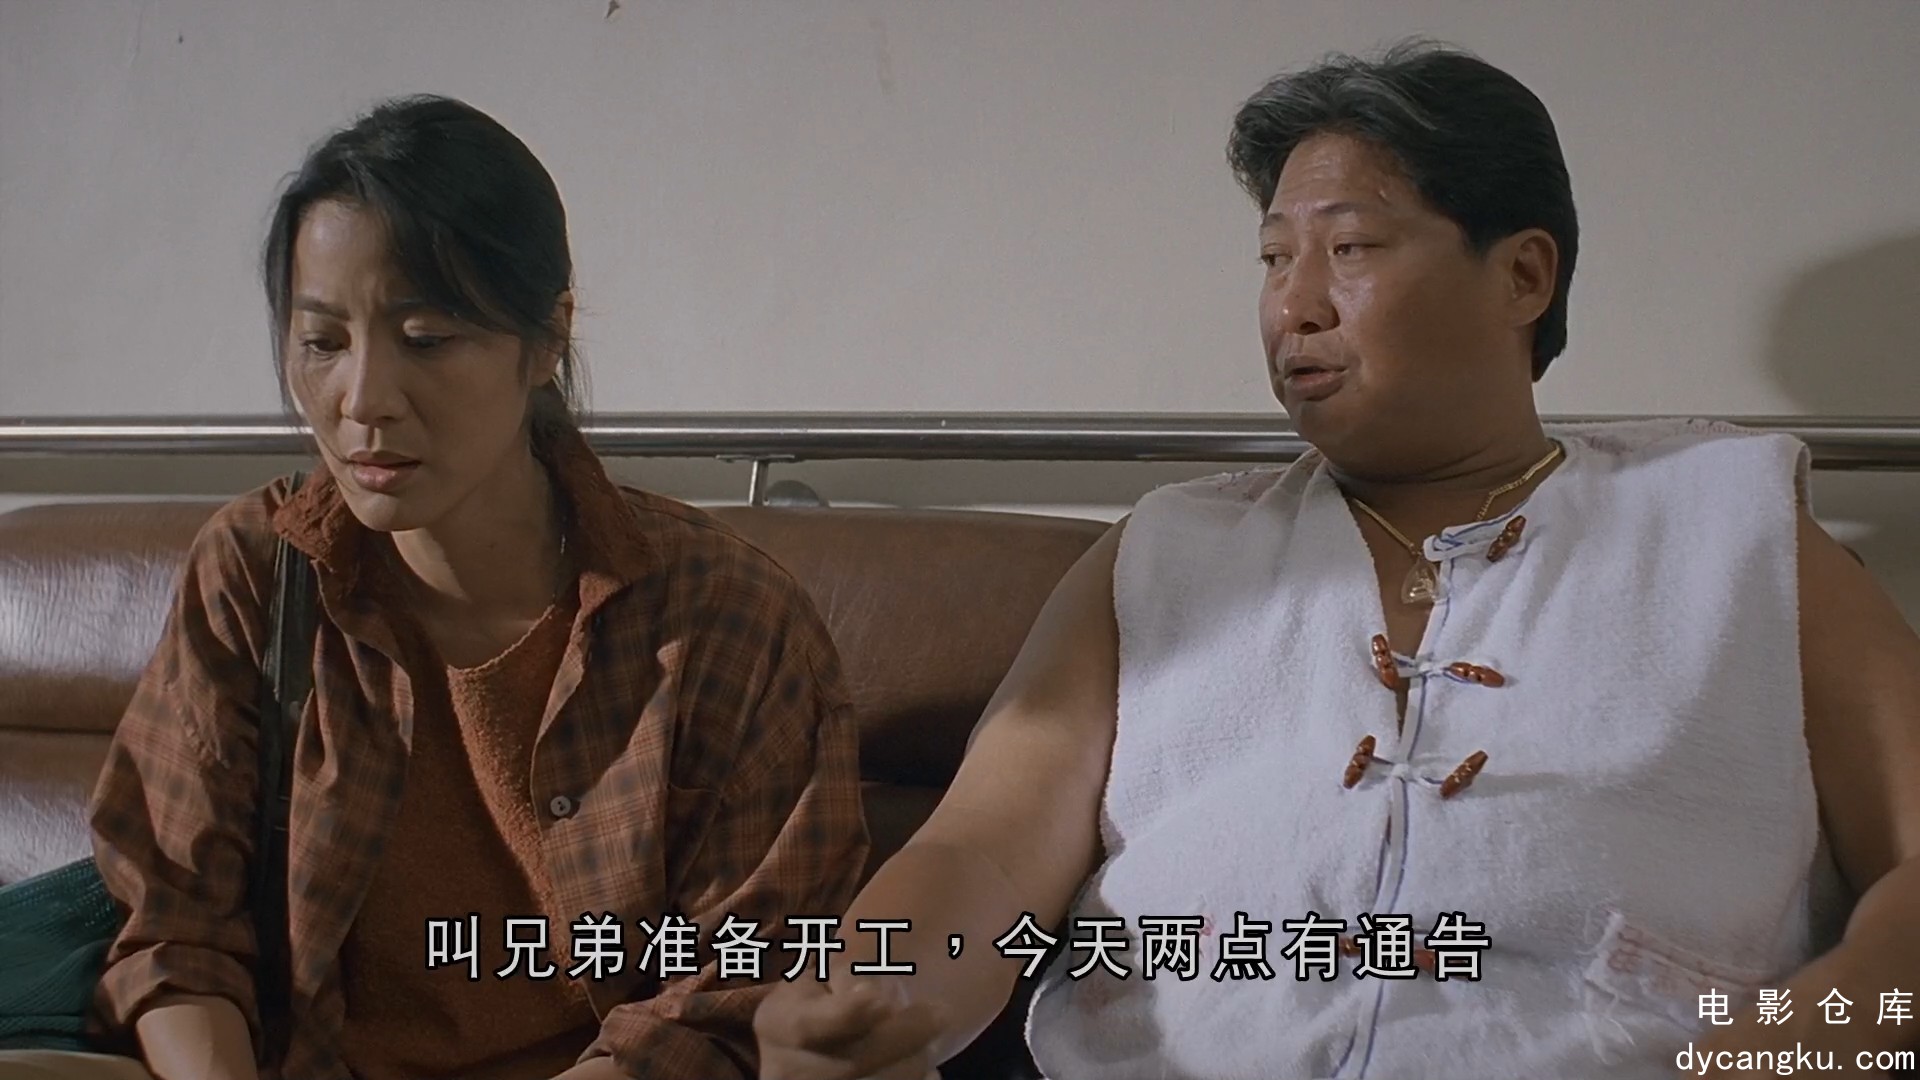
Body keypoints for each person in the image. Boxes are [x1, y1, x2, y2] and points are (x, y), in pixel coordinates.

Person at [751, 40, 1920, 1080]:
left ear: (1523, 276)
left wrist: (1814, 1042)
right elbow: (980, 852)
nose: (1294, 306)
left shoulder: (1733, 531)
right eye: (1274, 259)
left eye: (1350, 246)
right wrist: (871, 999)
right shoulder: (1164, 555)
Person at [24, 95, 869, 1080]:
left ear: (546, 341)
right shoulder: (257, 571)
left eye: (426, 338)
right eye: (323, 342)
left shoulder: (724, 618)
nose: (364, 400)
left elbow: (736, 990)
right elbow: (178, 931)